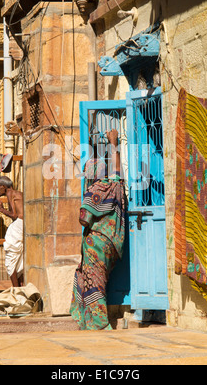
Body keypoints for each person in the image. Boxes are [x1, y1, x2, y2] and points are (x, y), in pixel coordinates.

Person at [70, 129, 126, 330]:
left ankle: (99, 323)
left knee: (94, 283)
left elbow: (84, 219)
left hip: (95, 246)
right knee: (101, 281)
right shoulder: (114, 186)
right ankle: (97, 322)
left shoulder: (94, 191)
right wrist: (114, 144)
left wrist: (86, 207)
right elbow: (118, 172)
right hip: (111, 246)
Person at [0, 176, 24, 287]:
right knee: (18, 261)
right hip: (22, 225)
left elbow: (14, 215)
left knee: (10, 262)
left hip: (19, 224)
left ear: (4, 187)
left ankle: (16, 289)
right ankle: (20, 289)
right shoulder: (18, 193)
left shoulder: (10, 193)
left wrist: (0, 208)